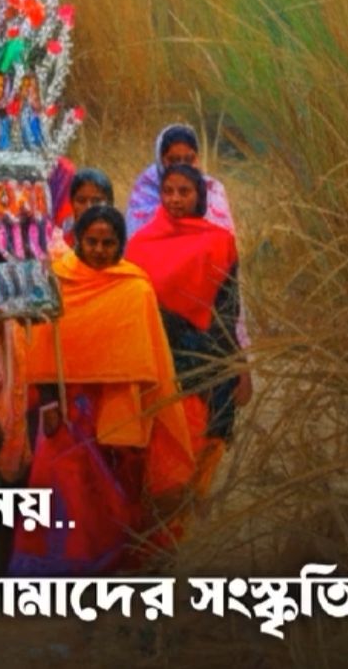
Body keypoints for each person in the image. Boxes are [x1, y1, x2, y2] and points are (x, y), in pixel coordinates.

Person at [10, 202, 194, 574]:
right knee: (58, 484)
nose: (98, 250)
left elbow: (148, 357)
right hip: (62, 408)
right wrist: (47, 404)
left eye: (107, 243)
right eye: (91, 241)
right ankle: (51, 569)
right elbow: (42, 345)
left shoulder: (134, 287)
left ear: (120, 244)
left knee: (108, 492)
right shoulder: (57, 281)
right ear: (78, 240)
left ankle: (103, 566)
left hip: (113, 409)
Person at [125, 164, 250, 499]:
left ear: (200, 195)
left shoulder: (220, 243)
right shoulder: (139, 246)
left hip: (210, 366)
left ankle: (185, 539)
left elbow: (229, 310)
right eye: (168, 191)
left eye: (184, 192)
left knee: (204, 455)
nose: (176, 199)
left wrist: (240, 367)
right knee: (164, 469)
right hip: (160, 367)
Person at [127, 122, 252, 370]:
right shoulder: (143, 212)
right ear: (161, 161)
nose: (175, 199)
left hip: (209, 346)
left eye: (189, 158)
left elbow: (228, 301)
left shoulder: (214, 196)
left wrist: (236, 360)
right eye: (173, 159)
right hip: (158, 344)